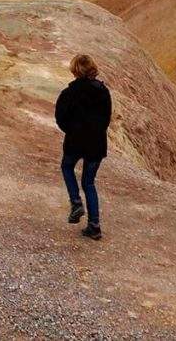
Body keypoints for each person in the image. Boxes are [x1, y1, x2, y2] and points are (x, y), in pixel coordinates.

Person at [55, 54, 112, 240]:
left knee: (67, 167)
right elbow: (106, 119)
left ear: (75, 70)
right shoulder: (103, 91)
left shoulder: (69, 93)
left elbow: (60, 118)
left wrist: (72, 131)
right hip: (96, 144)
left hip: (75, 142)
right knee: (88, 182)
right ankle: (94, 226)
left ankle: (76, 201)